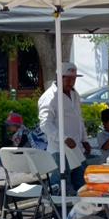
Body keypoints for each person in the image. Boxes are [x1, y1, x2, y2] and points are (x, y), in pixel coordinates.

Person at [38, 62, 86, 191]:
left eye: (74, 78)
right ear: (59, 77)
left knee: (82, 184)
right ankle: (57, 211)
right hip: (59, 150)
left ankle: (80, 210)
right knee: (59, 187)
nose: (71, 82)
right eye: (68, 78)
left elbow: (79, 119)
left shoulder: (75, 95)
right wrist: (64, 138)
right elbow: (45, 124)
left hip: (76, 148)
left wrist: (85, 139)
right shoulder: (49, 97)